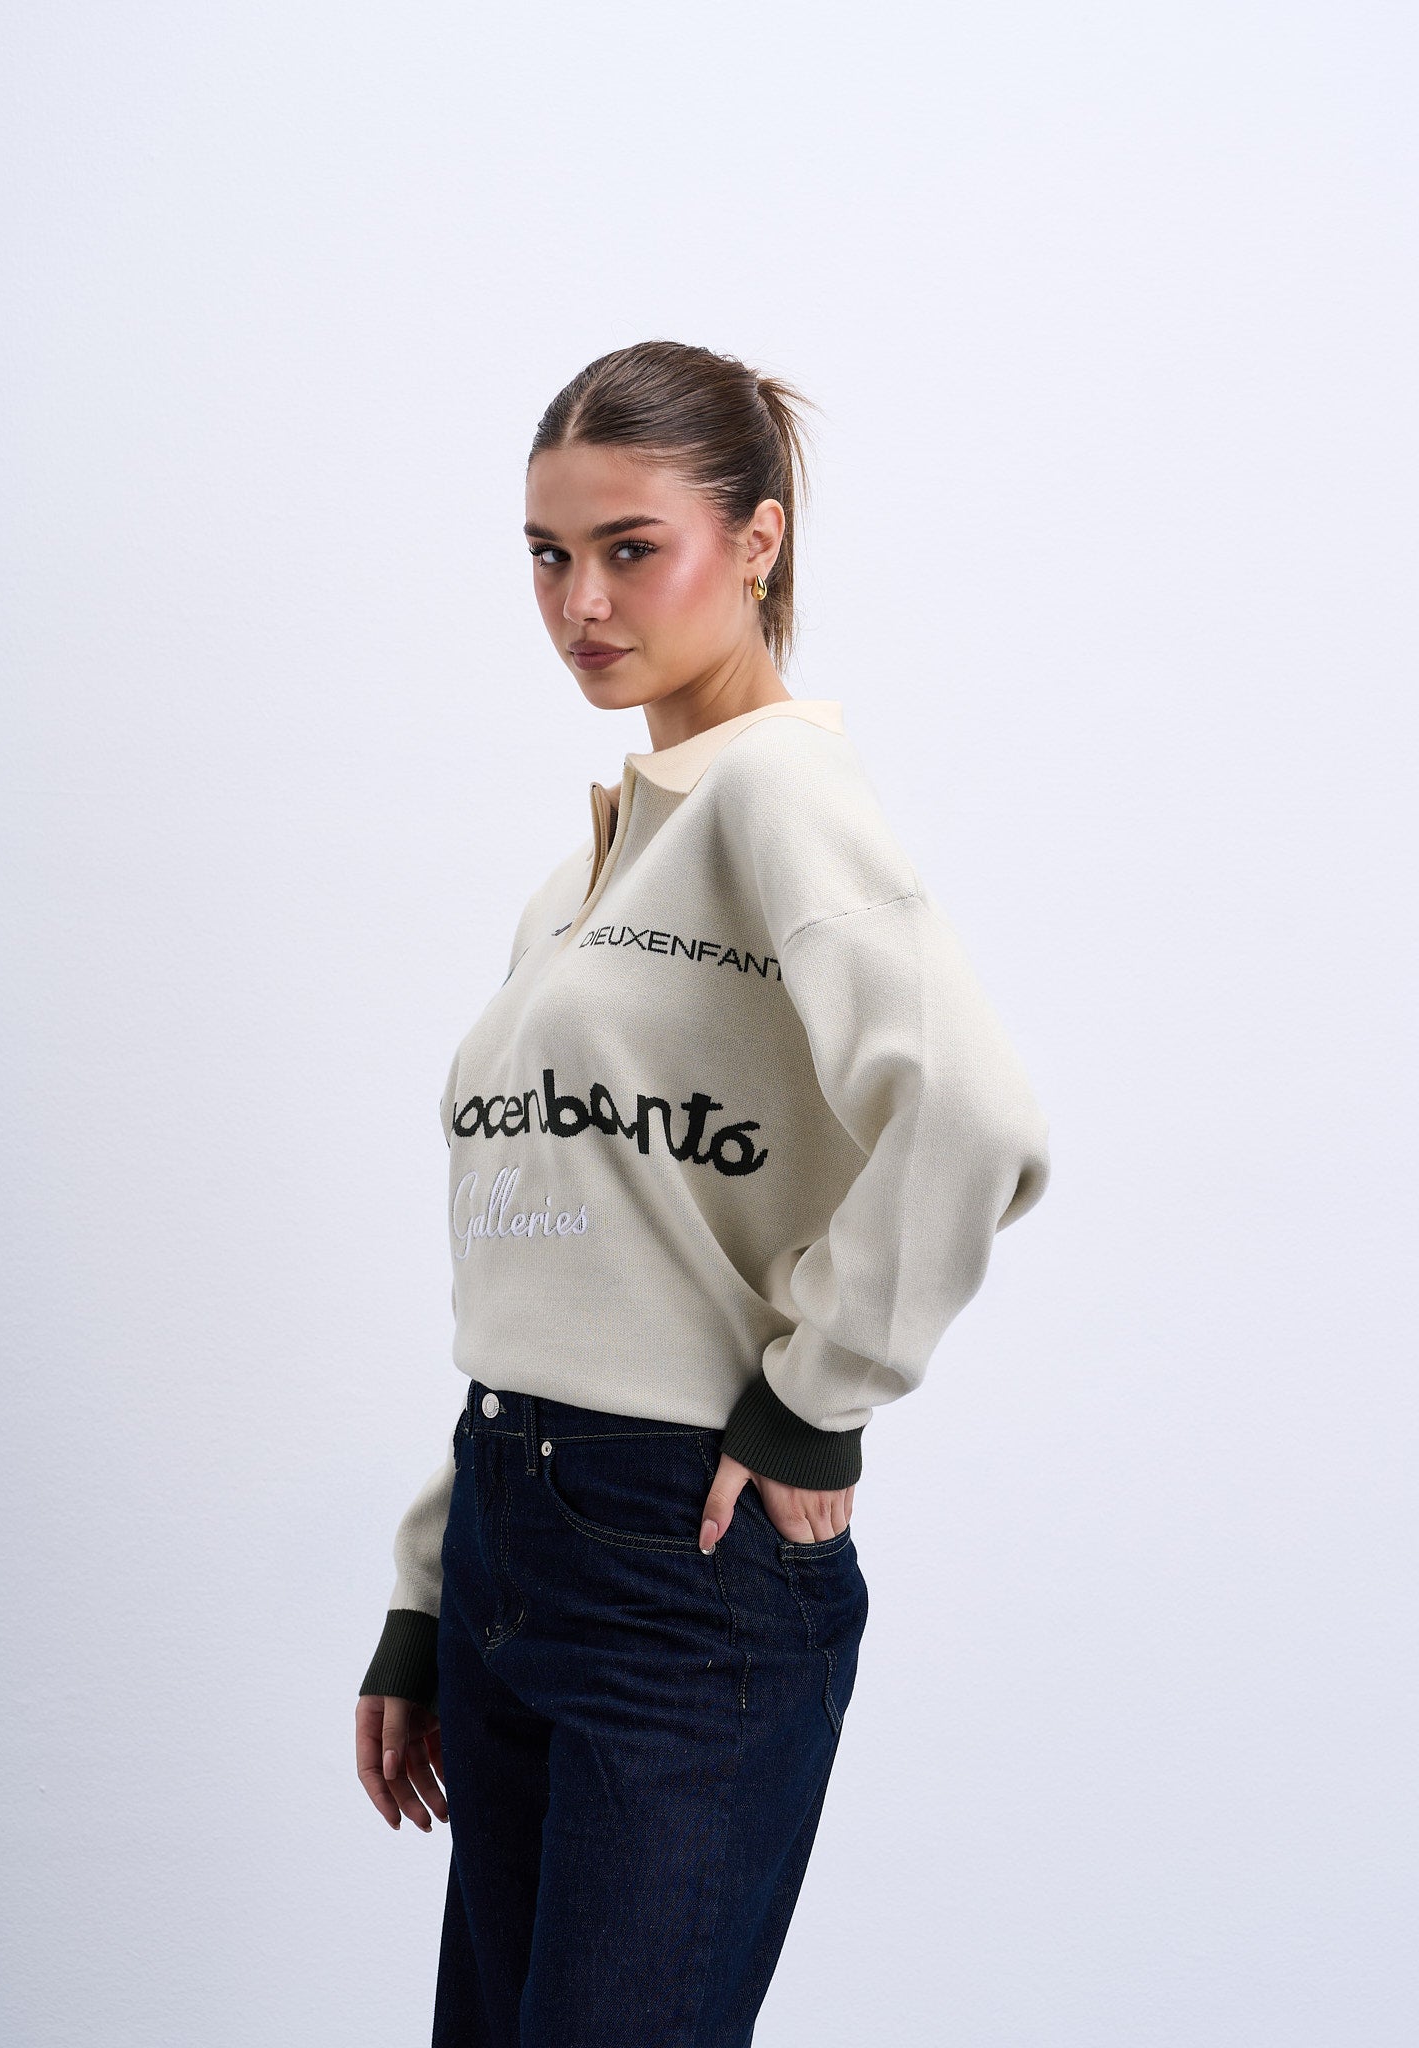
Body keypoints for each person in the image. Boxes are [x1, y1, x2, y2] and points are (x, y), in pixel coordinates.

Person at [354, 338, 1052, 2046]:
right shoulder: (584, 877)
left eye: (629, 548)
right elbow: (563, 1247)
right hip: (514, 1521)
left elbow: (969, 1113)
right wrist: (431, 1587)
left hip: (681, 1552)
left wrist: (818, 1404)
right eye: (547, 554)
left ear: (756, 540)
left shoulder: (778, 791)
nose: (580, 602)